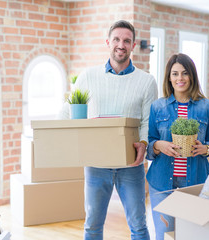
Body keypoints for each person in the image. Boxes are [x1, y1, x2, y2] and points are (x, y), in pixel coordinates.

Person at [61, 20, 157, 240]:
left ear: (133, 46)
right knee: (92, 226)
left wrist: (143, 144)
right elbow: (69, 112)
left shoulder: (146, 81)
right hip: (96, 165)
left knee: (139, 226)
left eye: (126, 40)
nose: (121, 44)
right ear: (108, 42)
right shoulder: (87, 77)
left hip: (131, 165)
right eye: (116, 39)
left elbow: (147, 121)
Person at [146, 53, 209, 240]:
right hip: (162, 183)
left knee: (192, 235)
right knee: (164, 235)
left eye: (185, 73)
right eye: (175, 74)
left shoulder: (206, 106)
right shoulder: (157, 107)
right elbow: (148, 145)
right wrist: (158, 145)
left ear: (192, 76)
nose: (180, 78)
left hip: (196, 182)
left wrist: (207, 149)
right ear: (169, 78)